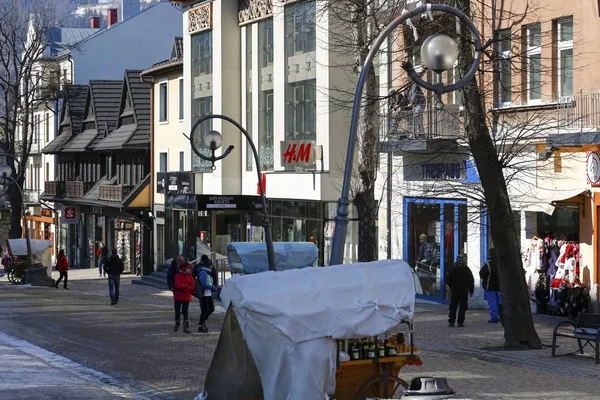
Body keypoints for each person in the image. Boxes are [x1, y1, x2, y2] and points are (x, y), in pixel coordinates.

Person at [445, 254, 474, 327]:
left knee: (453, 307)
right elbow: (471, 280)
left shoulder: (453, 269)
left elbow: (448, 280)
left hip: (455, 291)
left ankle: (451, 322)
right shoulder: (466, 269)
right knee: (462, 307)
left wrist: (451, 286)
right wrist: (471, 290)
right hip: (463, 291)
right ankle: (460, 322)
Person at [480, 248, 502, 324]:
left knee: (492, 302)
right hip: (500, 286)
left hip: (490, 287)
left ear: (489, 254)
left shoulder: (488, 264)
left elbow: (481, 274)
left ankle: (494, 317)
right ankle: (502, 316)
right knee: (500, 302)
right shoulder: (500, 263)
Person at [173, 262, 195, 334]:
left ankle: (186, 327)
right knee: (177, 311)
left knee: (186, 312)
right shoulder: (178, 276)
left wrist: (184, 288)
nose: (190, 270)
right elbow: (177, 285)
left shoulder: (190, 277)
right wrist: (186, 286)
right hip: (178, 296)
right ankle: (177, 322)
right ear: (185, 269)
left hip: (186, 296)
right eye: (189, 268)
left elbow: (192, 286)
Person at [197, 260, 217, 333]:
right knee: (205, 310)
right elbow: (205, 283)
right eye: (211, 265)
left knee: (211, 309)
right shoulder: (203, 272)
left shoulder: (207, 272)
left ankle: (202, 322)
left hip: (208, 293)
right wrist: (213, 287)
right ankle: (201, 324)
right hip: (204, 293)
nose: (212, 266)